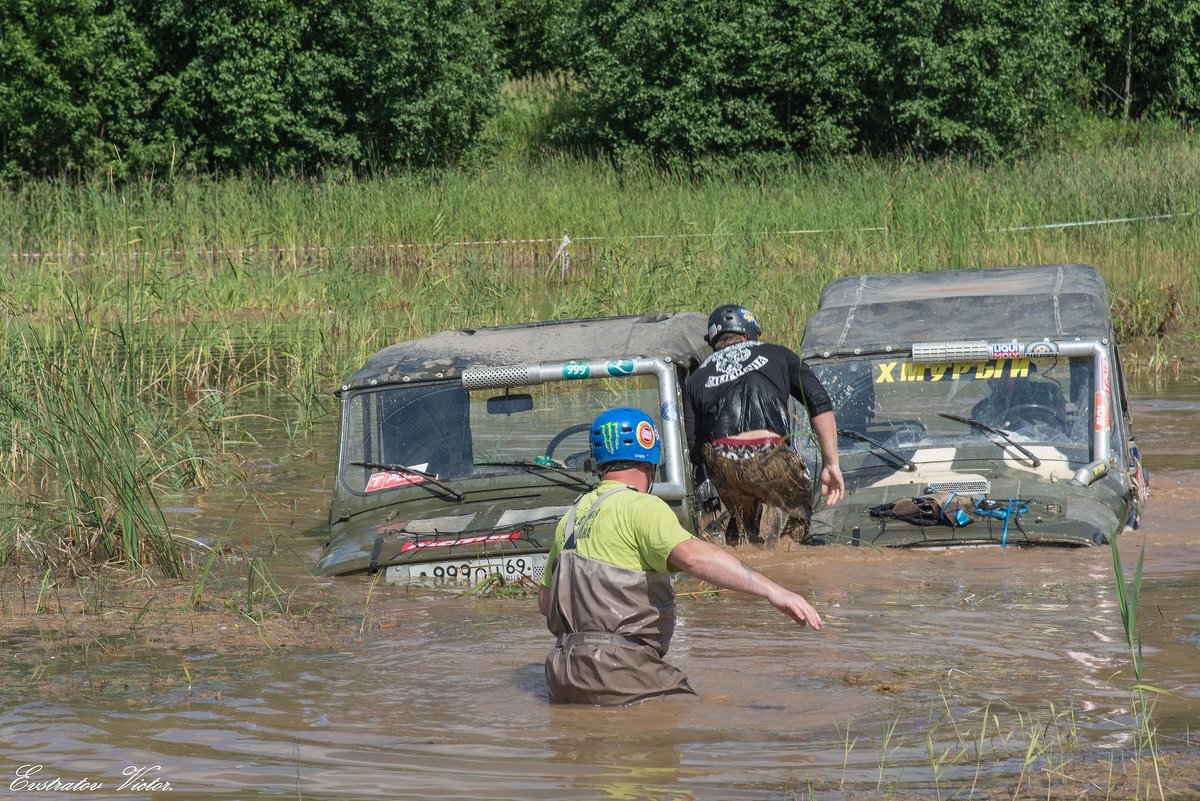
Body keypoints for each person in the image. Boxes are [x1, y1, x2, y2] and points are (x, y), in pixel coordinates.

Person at [538, 407, 823, 706]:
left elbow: (545, 603)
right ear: (651, 455)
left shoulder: (570, 519)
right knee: (699, 726)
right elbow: (695, 557)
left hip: (563, 676)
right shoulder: (642, 507)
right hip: (620, 672)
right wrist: (773, 590)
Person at [683, 304, 844, 545]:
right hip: (770, 453)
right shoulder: (780, 353)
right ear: (751, 333)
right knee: (796, 513)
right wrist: (831, 463)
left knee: (741, 523)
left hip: (721, 458)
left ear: (714, 341)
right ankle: (789, 554)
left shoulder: (695, 379)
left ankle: (740, 556)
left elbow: (695, 447)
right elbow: (819, 402)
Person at [970, 373, 1067, 432]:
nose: (994, 380)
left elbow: (1057, 430)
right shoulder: (981, 409)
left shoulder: (1046, 393)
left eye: (1005, 374)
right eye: (990, 375)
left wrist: (1025, 426)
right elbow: (979, 440)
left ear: (1019, 375)